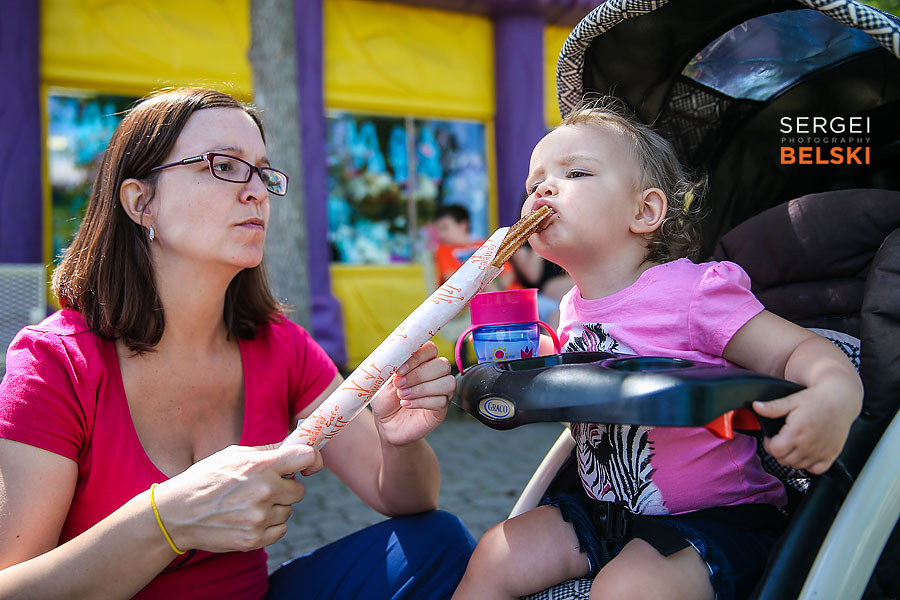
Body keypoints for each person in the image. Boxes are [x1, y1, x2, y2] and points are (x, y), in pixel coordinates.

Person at [0, 87, 475, 600]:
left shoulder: (282, 347)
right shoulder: (56, 362)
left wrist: (396, 439)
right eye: (223, 165)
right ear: (141, 202)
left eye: (263, 172)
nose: (256, 192)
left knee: (438, 541)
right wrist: (169, 520)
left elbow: (405, 498)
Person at [451, 99, 863, 600]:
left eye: (575, 172)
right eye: (533, 183)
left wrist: (833, 393)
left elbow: (799, 352)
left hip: (715, 522)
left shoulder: (696, 293)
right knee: (495, 554)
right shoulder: (571, 310)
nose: (542, 190)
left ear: (645, 211)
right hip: (601, 513)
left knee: (626, 588)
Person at [509, 241, 573, 329]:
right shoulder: (521, 243)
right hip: (541, 290)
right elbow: (532, 276)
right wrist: (538, 241)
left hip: (564, 283)